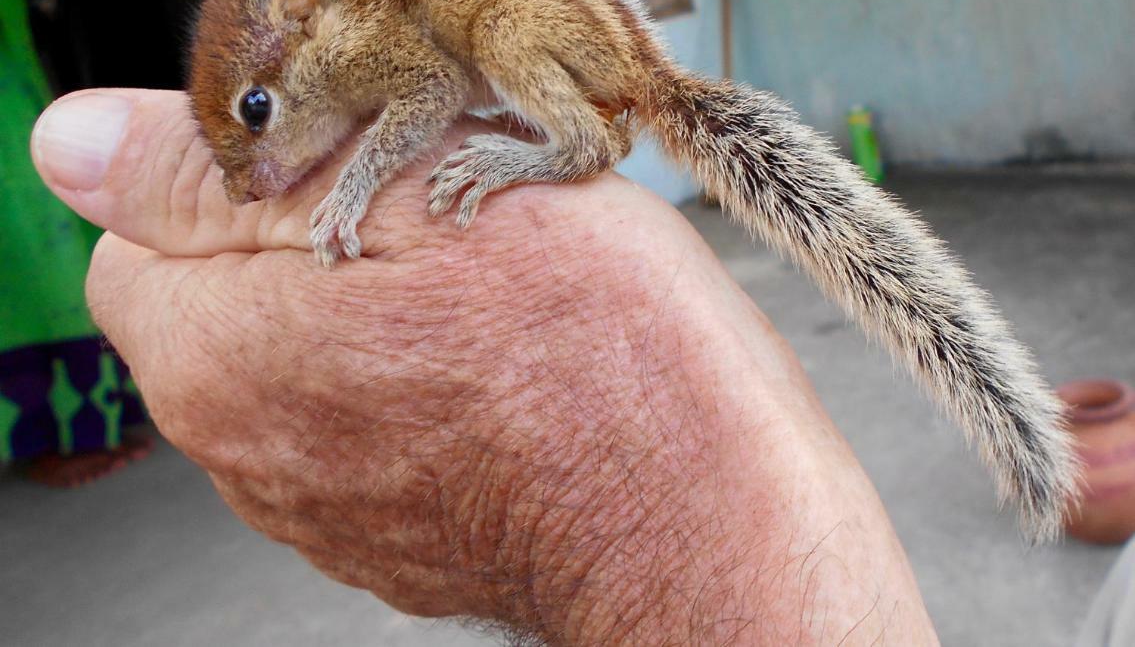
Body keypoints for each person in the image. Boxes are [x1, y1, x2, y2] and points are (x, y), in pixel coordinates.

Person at [30, 88, 939, 644]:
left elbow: (422, 98)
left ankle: (573, 141)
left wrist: (350, 186)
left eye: (259, 112)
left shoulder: (377, 45)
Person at [0, 0, 147, 484]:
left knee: (66, 273)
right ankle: (45, 443)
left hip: (22, 123)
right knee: (24, 287)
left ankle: (92, 426)